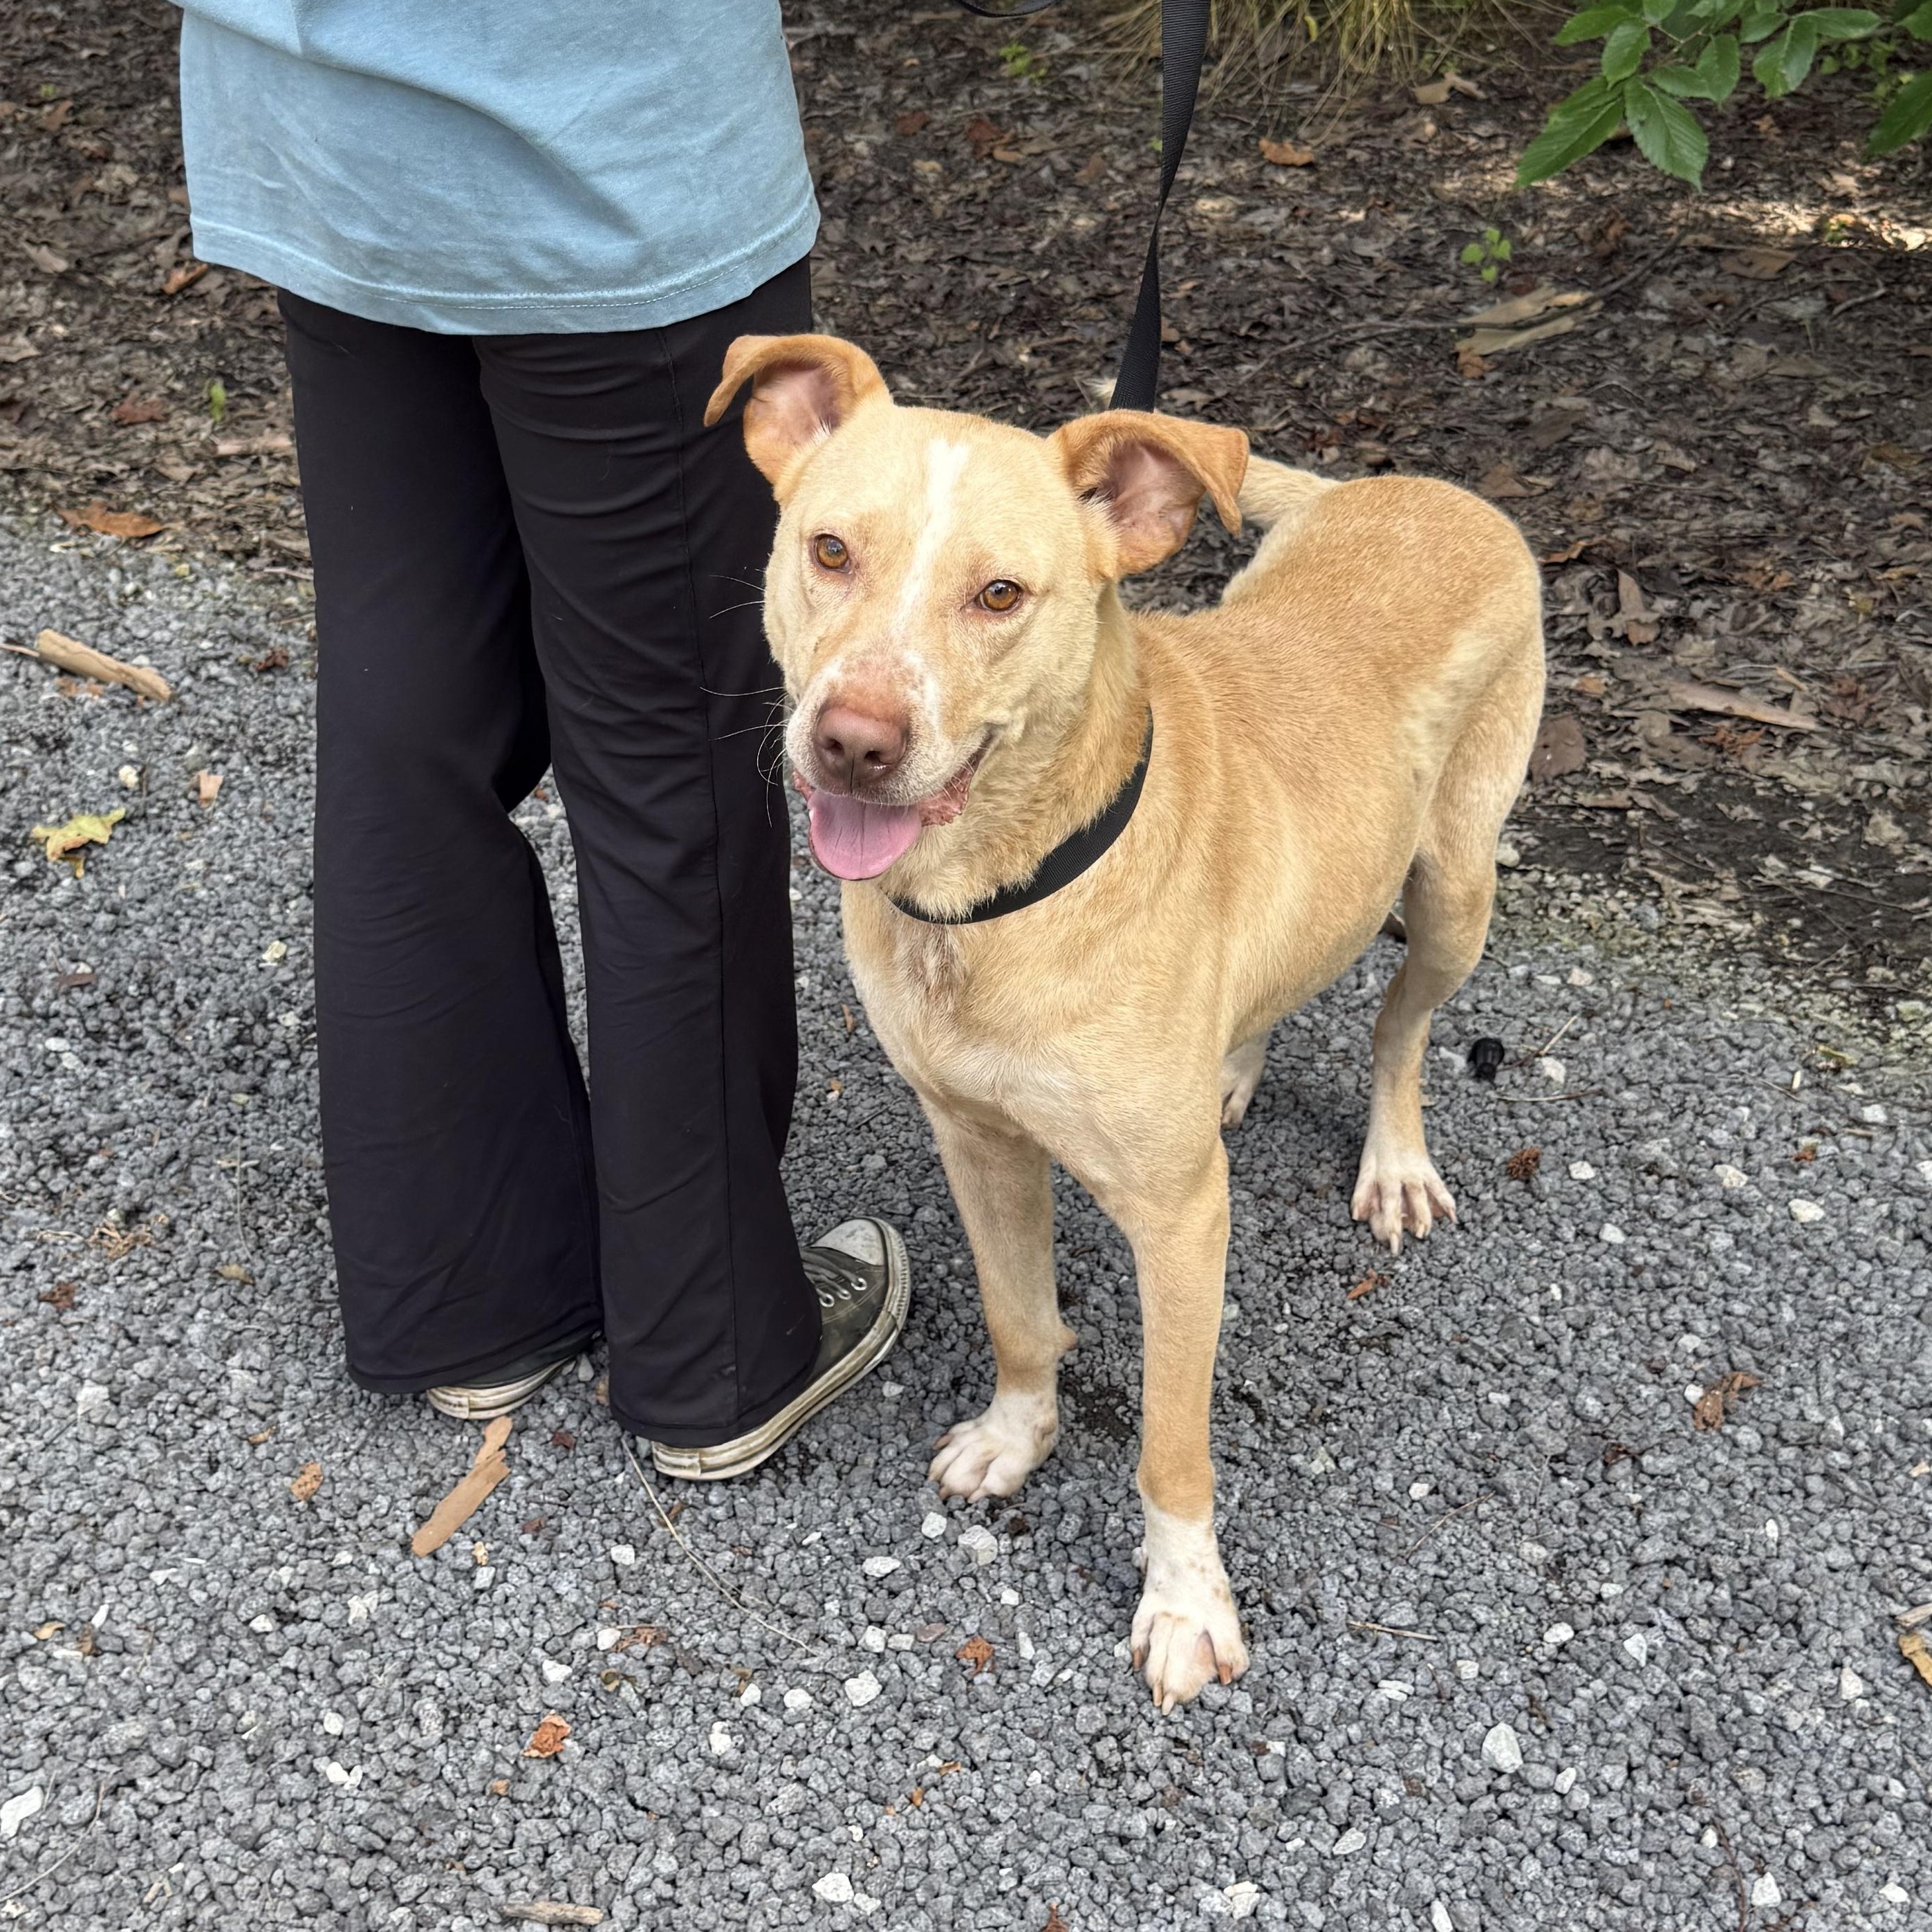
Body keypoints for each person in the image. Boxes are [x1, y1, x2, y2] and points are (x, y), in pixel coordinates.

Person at [173, 0, 909, 1478]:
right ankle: (711, 1351)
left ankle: (471, 1297)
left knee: (404, 739)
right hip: (608, 155)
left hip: (325, 144)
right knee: (670, 769)